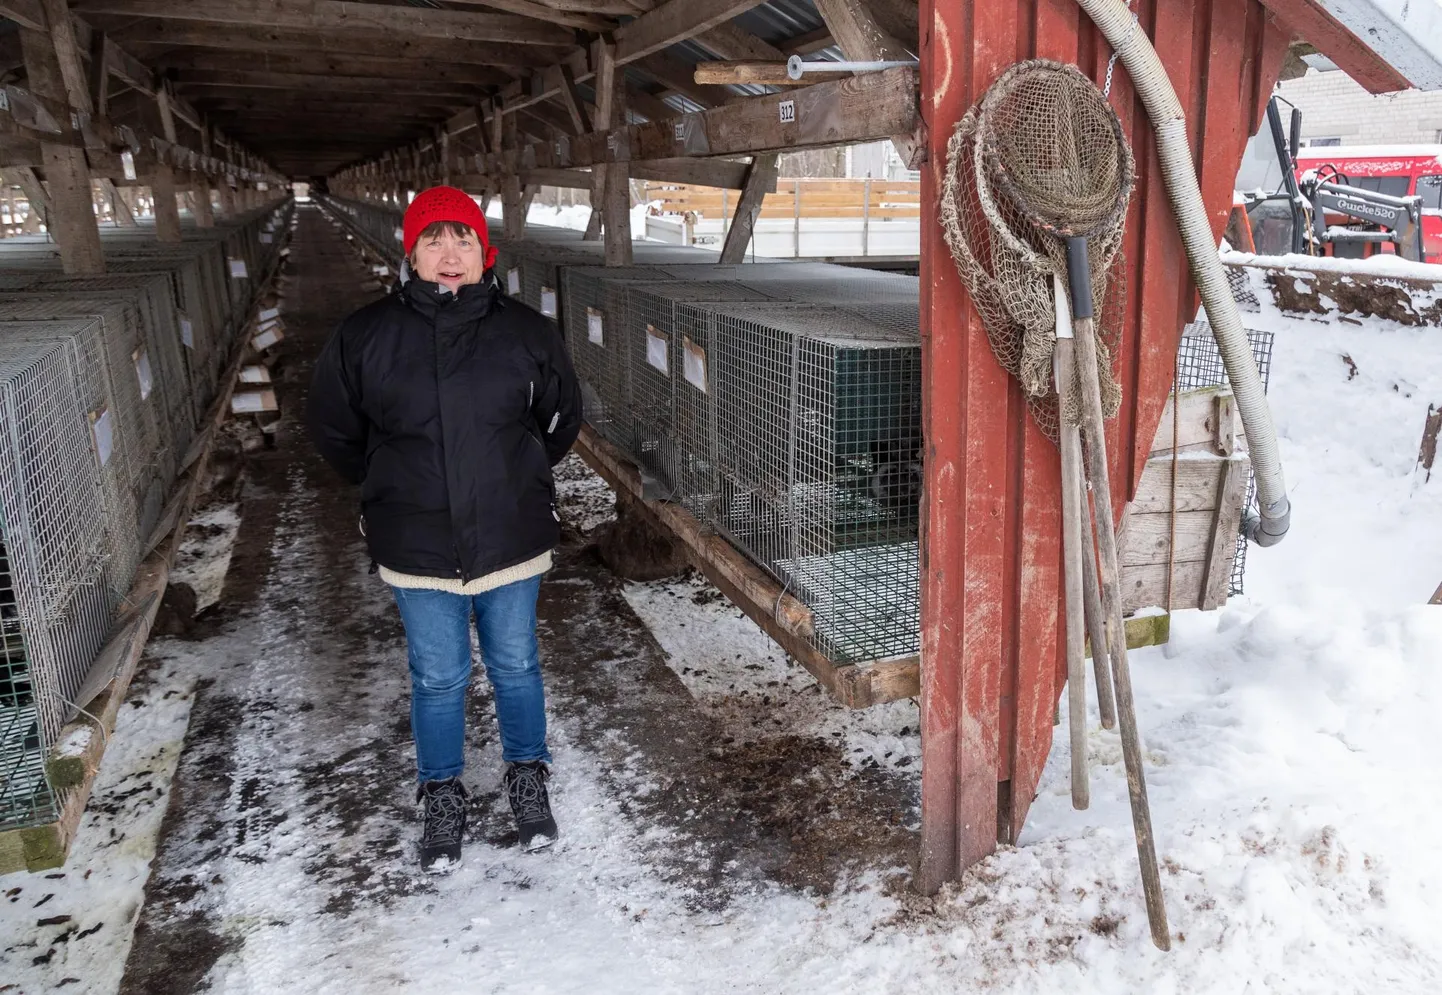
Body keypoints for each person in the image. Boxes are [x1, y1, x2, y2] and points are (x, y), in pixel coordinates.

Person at [307, 186, 582, 870]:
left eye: (462, 238)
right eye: (434, 239)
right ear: (412, 250)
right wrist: (387, 484)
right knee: (438, 675)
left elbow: (560, 417)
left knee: (516, 663)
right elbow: (335, 429)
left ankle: (527, 773)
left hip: (510, 536)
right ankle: (441, 789)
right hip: (417, 541)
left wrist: (518, 474)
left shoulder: (526, 331)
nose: (449, 253)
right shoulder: (366, 334)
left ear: (483, 250)